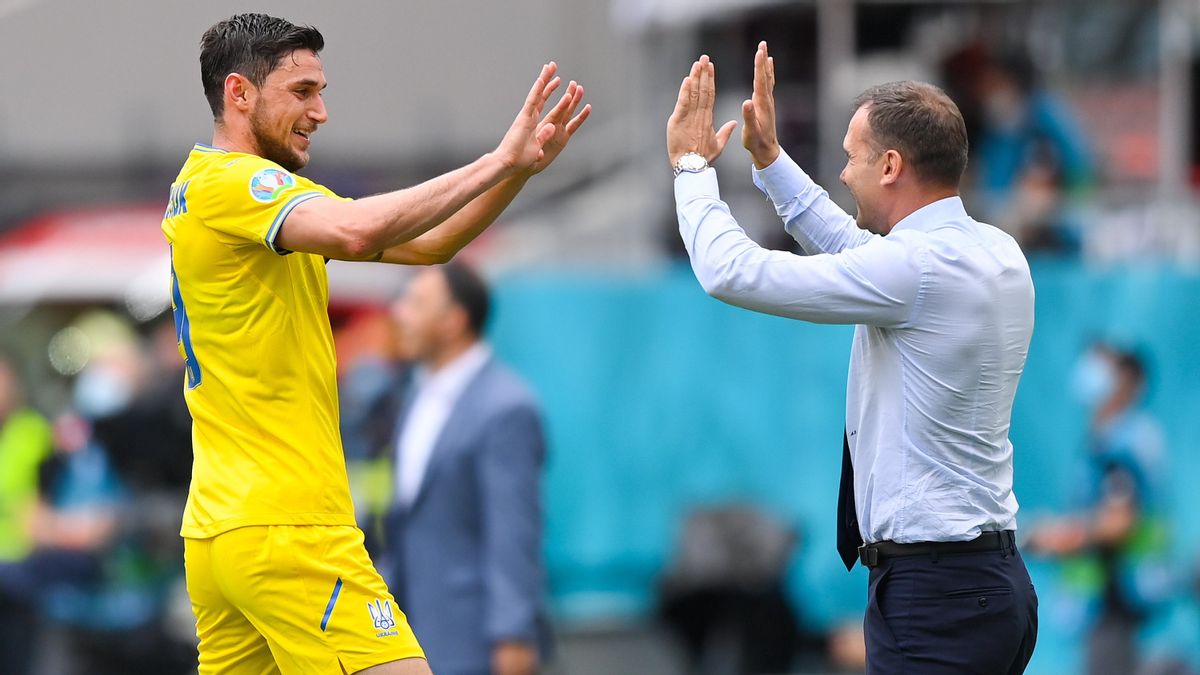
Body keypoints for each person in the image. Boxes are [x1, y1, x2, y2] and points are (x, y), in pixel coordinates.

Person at [162, 13, 588, 675]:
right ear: (239, 93)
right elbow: (358, 231)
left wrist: (517, 173)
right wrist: (495, 158)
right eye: (302, 91)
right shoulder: (239, 184)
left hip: (222, 531)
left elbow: (429, 245)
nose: (320, 111)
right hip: (291, 527)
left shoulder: (220, 195)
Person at [666, 44, 1038, 673]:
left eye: (850, 158)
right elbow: (857, 251)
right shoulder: (993, 250)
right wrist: (770, 161)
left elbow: (731, 271)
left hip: (936, 591)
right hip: (985, 582)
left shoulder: (914, 268)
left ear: (891, 165)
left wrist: (692, 167)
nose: (842, 174)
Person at [381, 262, 550, 675]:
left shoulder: (506, 406)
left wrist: (512, 637)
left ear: (454, 321)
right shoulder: (417, 396)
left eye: (415, 303)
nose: (398, 313)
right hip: (410, 634)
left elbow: (513, 532)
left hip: (473, 641)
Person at [1027, 344, 1168, 675]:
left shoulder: (1121, 442)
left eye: (1104, 365)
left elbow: (1118, 522)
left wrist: (1058, 536)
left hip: (1114, 602)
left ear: (1129, 380)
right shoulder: (1120, 435)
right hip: (1109, 604)